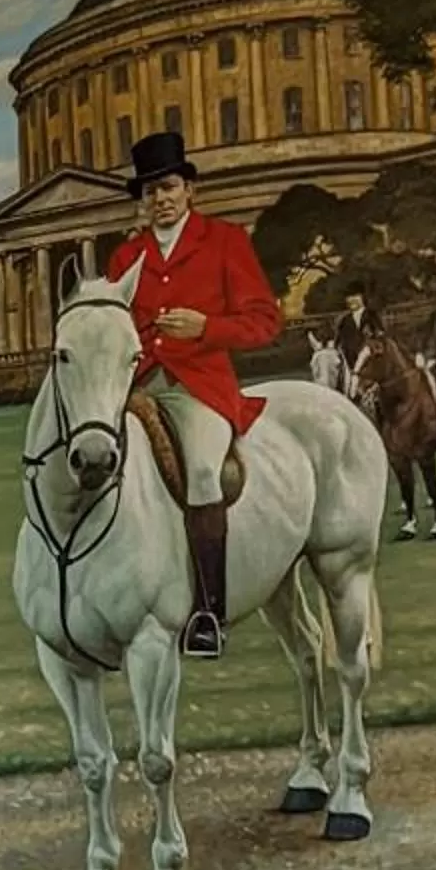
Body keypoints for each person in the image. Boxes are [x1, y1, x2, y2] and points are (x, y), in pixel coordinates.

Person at [108, 130, 283, 657]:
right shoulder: (125, 256)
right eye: (150, 192)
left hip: (199, 387)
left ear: (189, 190)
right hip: (136, 387)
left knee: (205, 471)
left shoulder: (225, 240)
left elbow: (263, 322)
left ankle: (210, 610)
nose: (160, 199)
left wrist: (206, 327)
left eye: (168, 187)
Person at [332, 285, 382, 376]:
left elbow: (380, 333)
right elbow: (338, 341)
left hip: (371, 360)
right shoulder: (344, 320)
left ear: (362, 297)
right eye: (349, 297)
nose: (351, 300)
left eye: (355, 296)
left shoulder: (372, 315)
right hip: (348, 360)